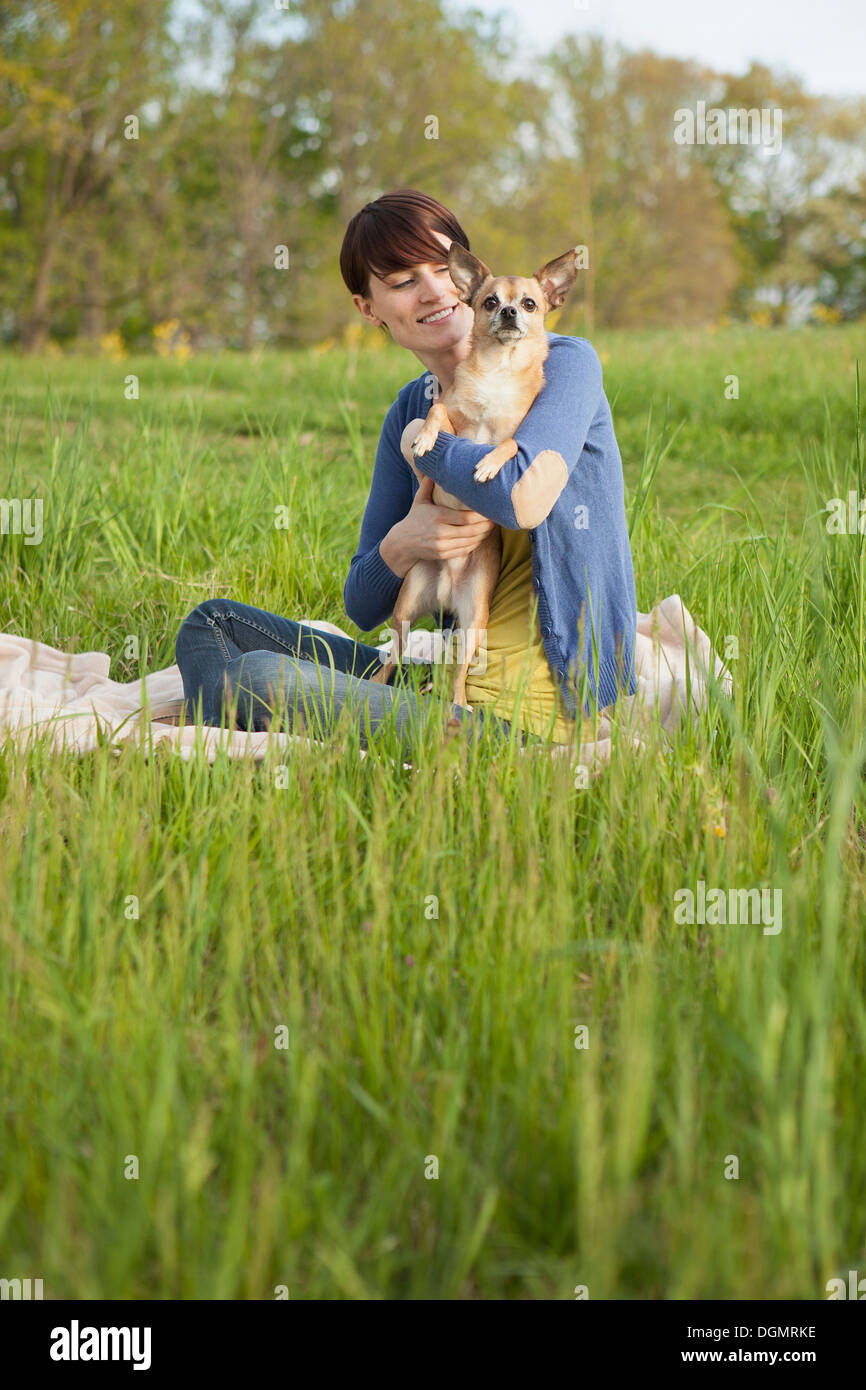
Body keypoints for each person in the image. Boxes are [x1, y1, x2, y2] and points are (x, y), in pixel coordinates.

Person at [174, 188, 638, 756]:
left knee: (262, 678)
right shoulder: (411, 407)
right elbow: (364, 607)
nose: (436, 290)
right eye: (402, 281)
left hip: (519, 718)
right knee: (212, 623)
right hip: (440, 678)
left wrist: (426, 449)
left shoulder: (564, 364)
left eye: (444, 268)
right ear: (368, 308)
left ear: (465, 276)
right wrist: (403, 542)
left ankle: (252, 709)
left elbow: (523, 496)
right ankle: (311, 711)